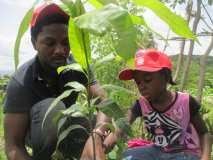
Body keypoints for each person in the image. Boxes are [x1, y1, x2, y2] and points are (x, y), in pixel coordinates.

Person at [3, 2, 107, 160]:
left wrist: (97, 135)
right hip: (35, 133)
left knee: (82, 119)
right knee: (53, 109)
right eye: (50, 43)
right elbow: (13, 145)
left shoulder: (79, 66)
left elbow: (104, 104)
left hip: (69, 126)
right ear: (34, 43)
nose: (60, 50)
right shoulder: (20, 82)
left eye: (66, 43)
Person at [103, 49, 212, 160]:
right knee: (126, 156)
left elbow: (204, 133)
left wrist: (205, 157)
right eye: (138, 82)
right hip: (158, 150)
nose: (142, 86)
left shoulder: (186, 102)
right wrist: (105, 144)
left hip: (185, 152)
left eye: (147, 80)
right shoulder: (141, 104)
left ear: (165, 77)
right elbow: (122, 127)